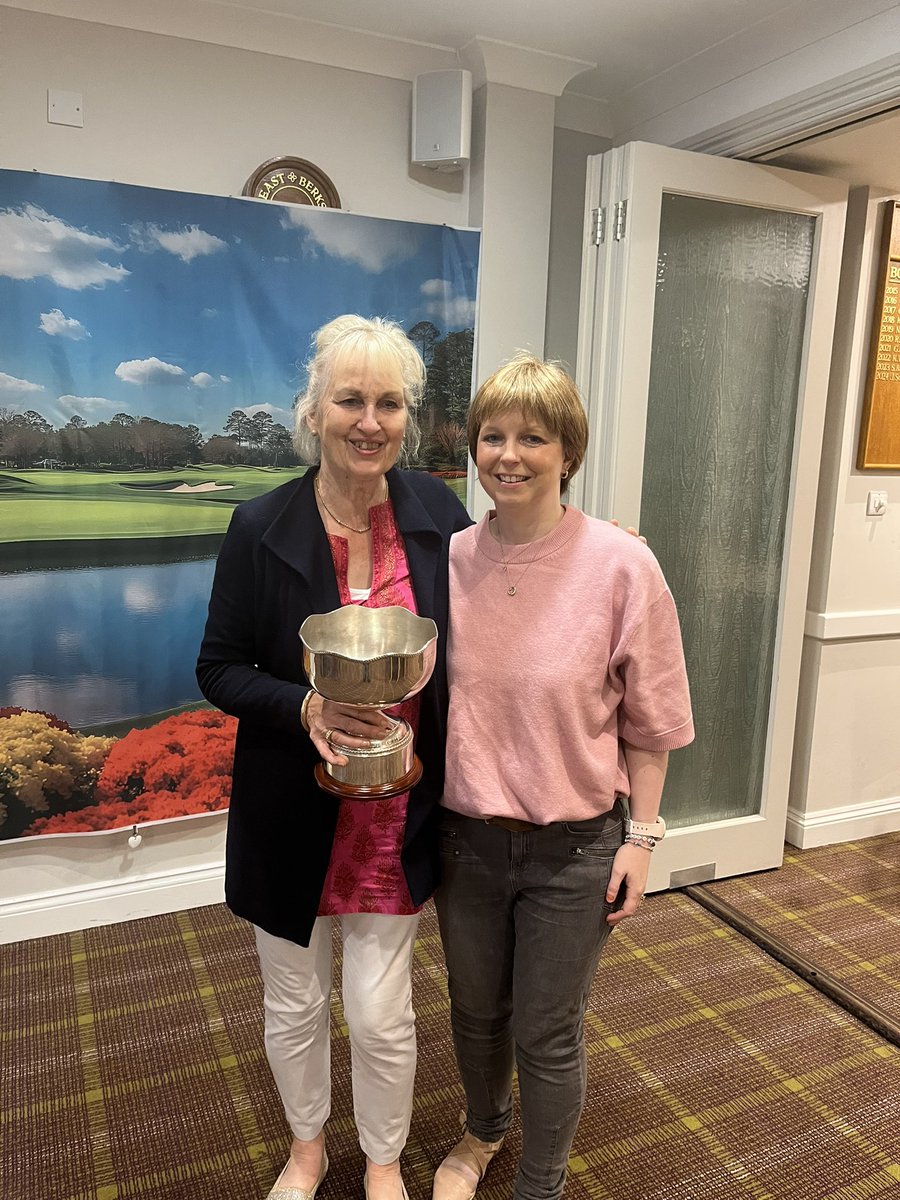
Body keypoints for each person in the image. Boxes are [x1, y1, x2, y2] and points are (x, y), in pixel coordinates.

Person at [196, 314, 471, 1200]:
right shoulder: (259, 524)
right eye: (350, 399)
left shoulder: (438, 511)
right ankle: (308, 1149)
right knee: (295, 1001)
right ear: (312, 412)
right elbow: (218, 669)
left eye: (390, 403)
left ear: (407, 417)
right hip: (293, 808)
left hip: (398, 811)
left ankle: (383, 1158)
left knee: (383, 1013)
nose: (371, 421)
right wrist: (306, 703)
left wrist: (599, 549)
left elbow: (501, 610)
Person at [431, 354, 695, 1200]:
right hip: (466, 841)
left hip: (575, 849)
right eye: (492, 436)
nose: (507, 455)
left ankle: (537, 1185)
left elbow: (652, 723)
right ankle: (483, 1132)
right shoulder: (448, 561)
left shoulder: (623, 566)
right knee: (475, 1017)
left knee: (548, 1033)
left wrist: (642, 841)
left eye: (532, 438)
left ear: (567, 452)